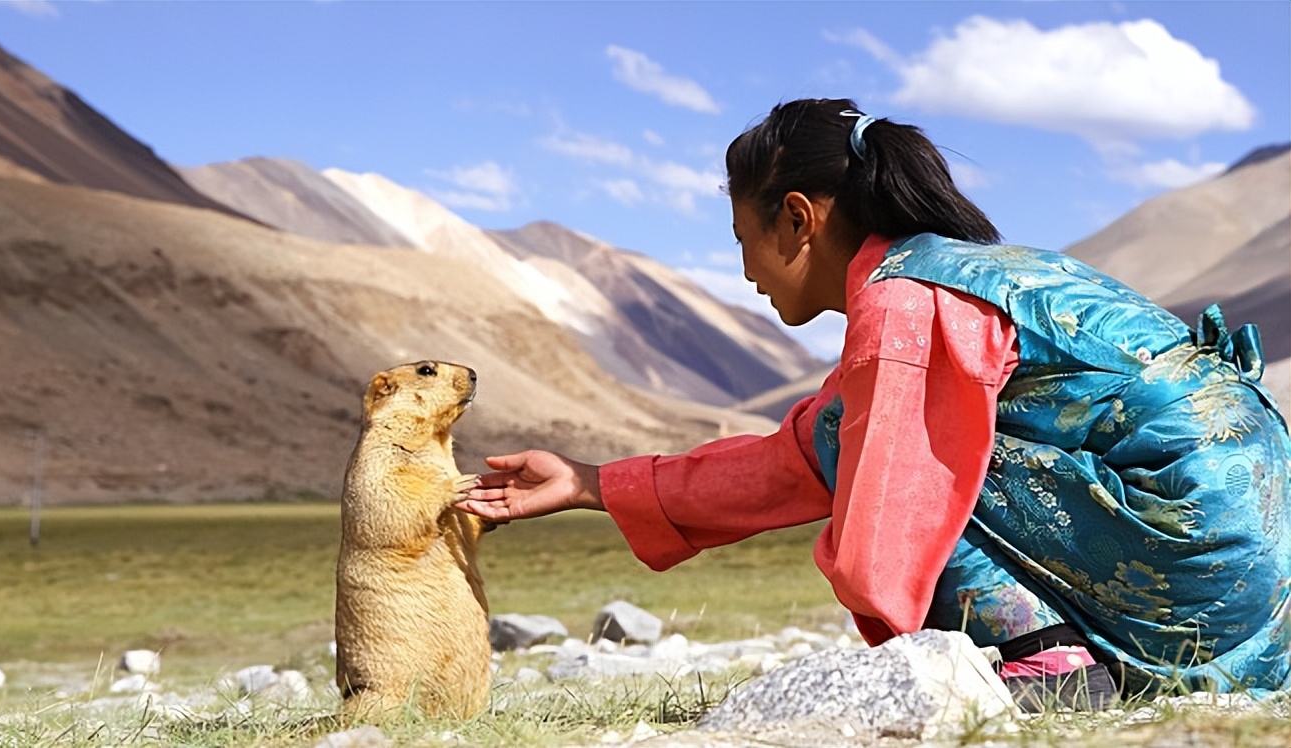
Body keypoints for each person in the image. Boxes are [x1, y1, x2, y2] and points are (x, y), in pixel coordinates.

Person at [456, 98, 1291, 709]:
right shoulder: (960, 272)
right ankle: (1101, 657)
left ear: (797, 219)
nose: (746, 271)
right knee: (836, 433)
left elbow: (883, 499)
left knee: (858, 443)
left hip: (1192, 538)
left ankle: (1047, 664)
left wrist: (902, 665)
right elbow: (797, 458)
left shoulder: (904, 301)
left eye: (745, 241)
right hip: (1251, 554)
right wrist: (591, 482)